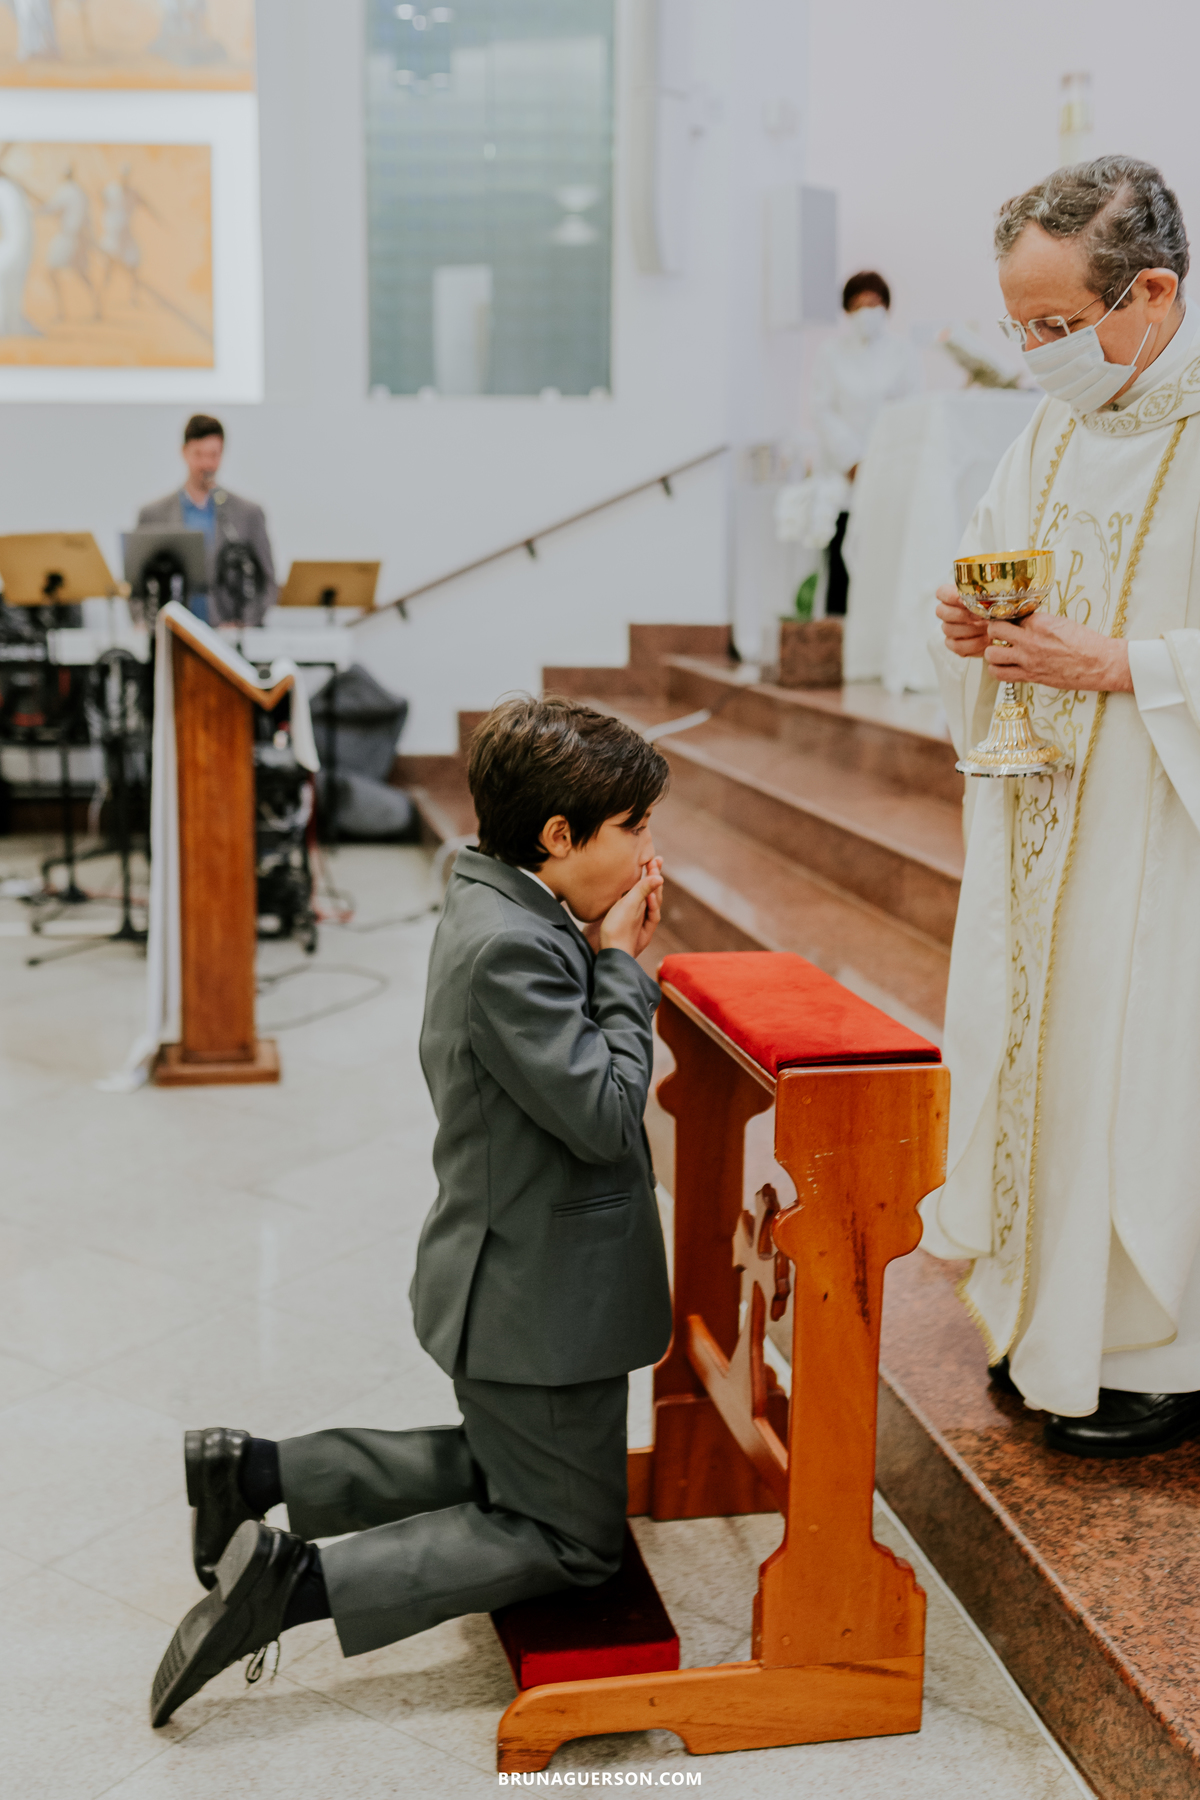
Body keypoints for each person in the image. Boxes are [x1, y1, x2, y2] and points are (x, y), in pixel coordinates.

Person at [149, 698, 672, 1727]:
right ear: (558, 837)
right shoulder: (514, 949)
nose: (654, 849)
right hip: (536, 1297)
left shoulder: (500, 897)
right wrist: (622, 967)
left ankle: (256, 1471)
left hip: (511, 1273)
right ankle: (293, 1584)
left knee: (500, 1460)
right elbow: (610, 1116)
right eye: (637, 827)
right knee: (570, 1541)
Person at [926, 156, 1200, 1457]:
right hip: (1046, 817)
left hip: (1165, 826)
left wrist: (1123, 667)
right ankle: (1052, 1327)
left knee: (1140, 1073)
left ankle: (1161, 1356)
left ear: (1151, 291)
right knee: (1047, 1055)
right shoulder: (1053, 424)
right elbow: (1000, 570)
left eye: (1054, 326)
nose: (1037, 354)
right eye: (1017, 327)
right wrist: (964, 635)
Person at [811, 270, 921, 615]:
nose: (867, 312)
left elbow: (909, 411)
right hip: (845, 478)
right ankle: (837, 645)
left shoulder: (903, 353)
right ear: (846, 310)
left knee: (883, 563)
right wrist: (853, 461)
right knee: (842, 566)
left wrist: (881, 462)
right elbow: (823, 412)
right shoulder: (830, 354)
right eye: (858, 305)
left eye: (873, 303)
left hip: (888, 474)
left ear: (886, 307)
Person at [136, 414, 278, 626]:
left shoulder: (248, 514)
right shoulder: (154, 515)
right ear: (184, 453)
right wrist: (147, 625)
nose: (206, 464)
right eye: (199, 454)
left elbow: (266, 581)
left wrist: (244, 625)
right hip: (172, 633)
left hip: (228, 636)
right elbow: (137, 584)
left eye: (213, 455)